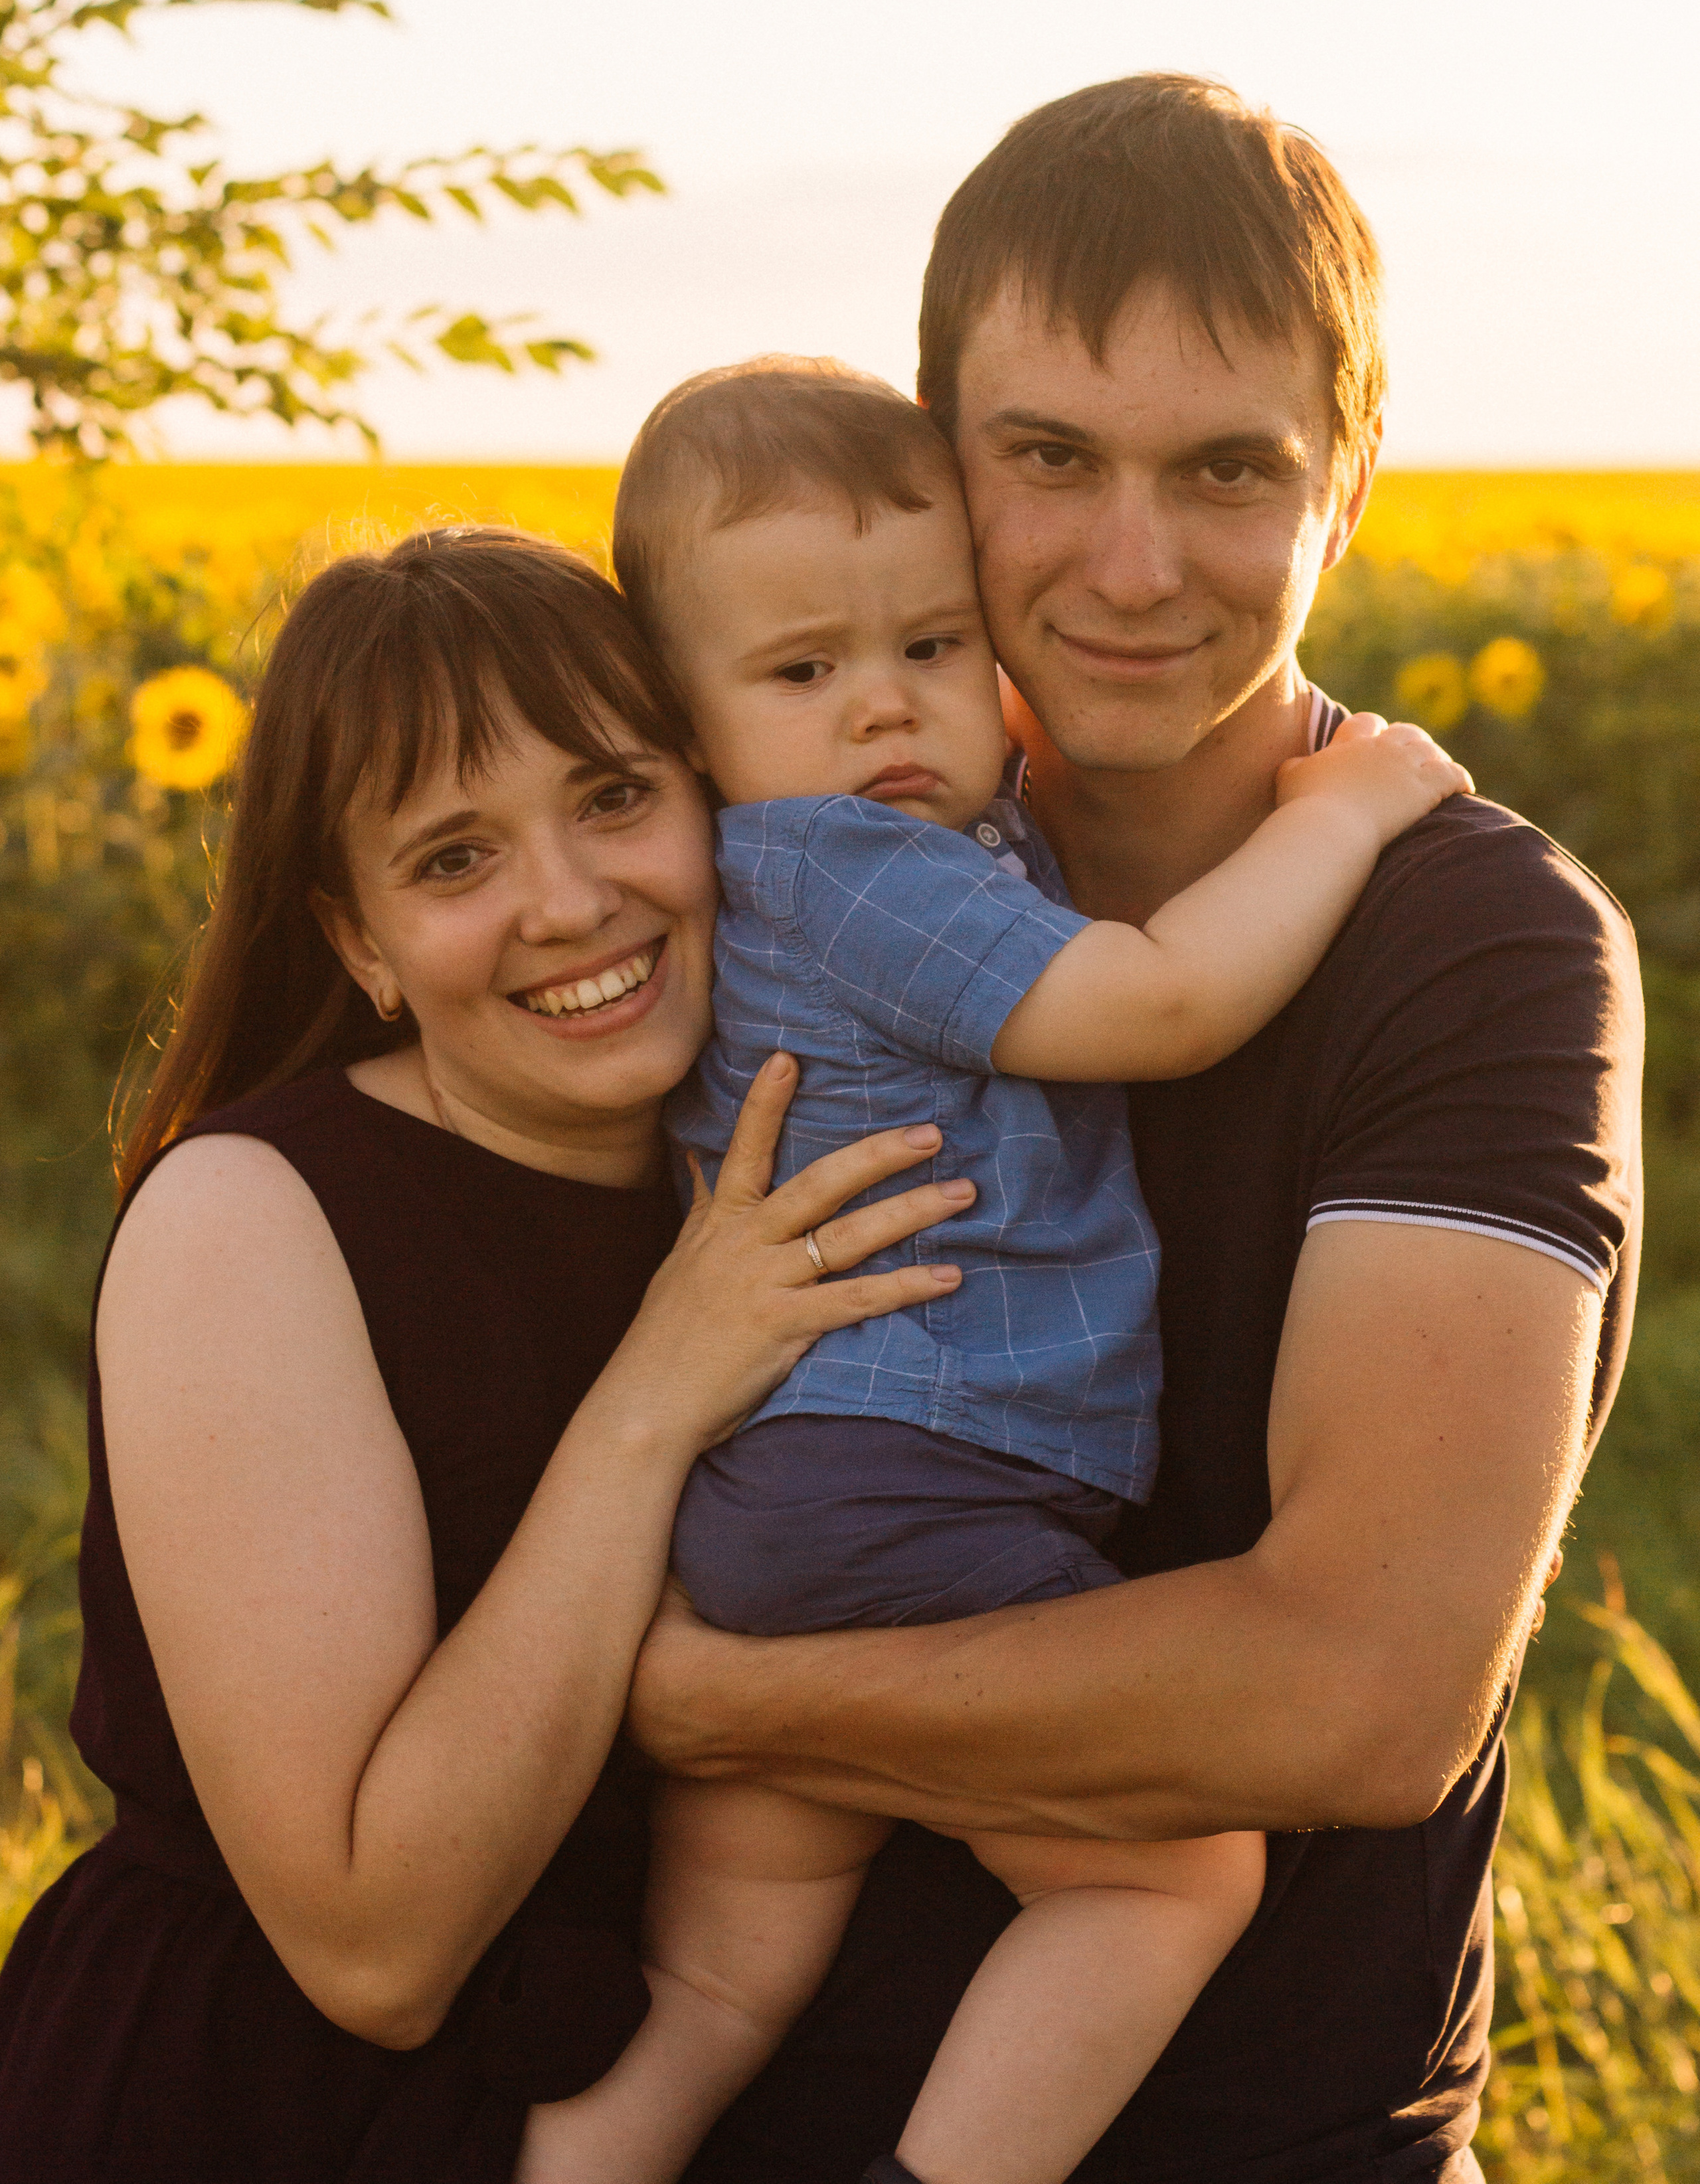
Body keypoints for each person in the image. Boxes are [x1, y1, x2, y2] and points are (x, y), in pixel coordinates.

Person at [627, 78, 1644, 2183]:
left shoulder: (1473, 943)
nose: (1132, 564)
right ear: (939, 461)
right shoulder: (762, 847)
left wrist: (701, 1702)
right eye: (1050, 457)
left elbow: (1358, 1696)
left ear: (1350, 486)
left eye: (1229, 470)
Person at [515, 358, 1468, 2184]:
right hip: (915, 1483)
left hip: (790, 1499)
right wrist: (1342, 814)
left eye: (931, 646)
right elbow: (1161, 1004)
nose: (882, 702)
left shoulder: (891, 835)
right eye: (802, 673)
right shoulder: (849, 867)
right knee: (1171, 1878)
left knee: (712, 1990)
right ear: (687, 729)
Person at [0, 527, 978, 2184]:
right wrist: (651, 1398)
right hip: (273, 2112)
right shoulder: (251, 1220)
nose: (569, 901)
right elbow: (373, 1949)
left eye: (613, 797)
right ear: (360, 941)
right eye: (454, 860)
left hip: (671, 2086)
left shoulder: (794, 1143)